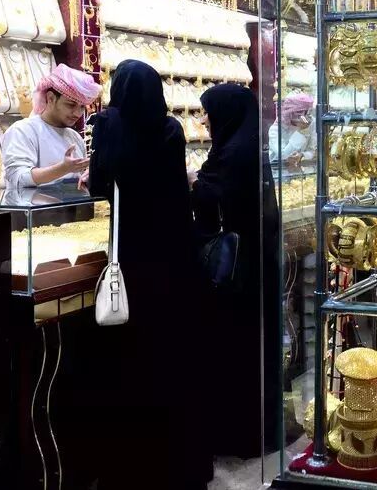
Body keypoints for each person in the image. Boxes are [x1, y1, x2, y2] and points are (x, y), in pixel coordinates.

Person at [87, 60, 210, 488]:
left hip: (135, 257)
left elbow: (100, 184)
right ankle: (182, 464)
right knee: (175, 360)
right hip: (175, 254)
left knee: (135, 361)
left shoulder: (109, 125)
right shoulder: (171, 129)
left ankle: (136, 468)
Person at [189, 83, 282, 458]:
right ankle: (257, 430)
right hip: (254, 268)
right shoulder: (246, 148)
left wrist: (194, 182)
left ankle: (237, 434)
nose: (204, 121)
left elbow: (216, 199)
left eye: (208, 112)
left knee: (235, 354)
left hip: (237, 275)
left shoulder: (235, 154)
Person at [1, 64, 101, 188]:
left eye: (82, 107)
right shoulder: (22, 130)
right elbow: (18, 178)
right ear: (51, 98)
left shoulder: (74, 137)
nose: (77, 113)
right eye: (70, 105)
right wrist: (63, 168)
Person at [268, 92, 316, 164]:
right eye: (300, 112)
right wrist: (301, 132)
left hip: (302, 168)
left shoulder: (310, 122)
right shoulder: (276, 129)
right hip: (279, 168)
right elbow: (283, 155)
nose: (304, 116)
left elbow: (313, 151)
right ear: (290, 112)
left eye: (307, 112)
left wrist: (302, 155)